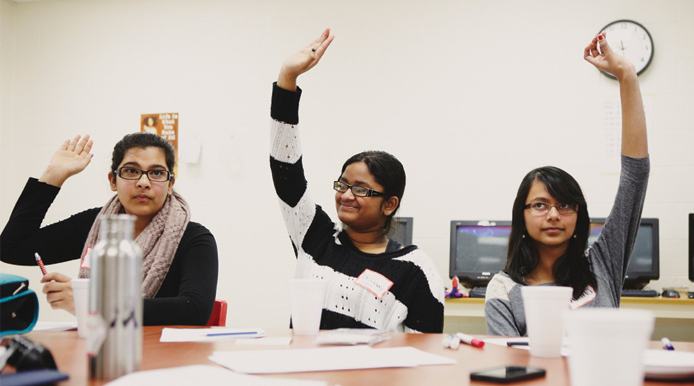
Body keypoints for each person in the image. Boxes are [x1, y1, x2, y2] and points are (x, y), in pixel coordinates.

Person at [270, 29, 445, 333]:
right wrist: (287, 79)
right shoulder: (315, 237)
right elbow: (285, 169)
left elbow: (422, 356)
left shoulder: (416, 269)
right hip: (303, 374)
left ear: (389, 204)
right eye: (343, 185)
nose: (347, 196)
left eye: (361, 190)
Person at [485, 32, 650, 336]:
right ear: (521, 215)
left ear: (579, 214)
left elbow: (635, 176)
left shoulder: (602, 264)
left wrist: (627, 75)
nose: (553, 215)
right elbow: (510, 369)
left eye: (564, 205)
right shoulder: (503, 289)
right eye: (539, 205)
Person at [0, 132, 218, 325]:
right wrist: (53, 175)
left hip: (166, 358)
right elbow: (12, 248)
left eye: (157, 173)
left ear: (170, 184)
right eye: (131, 171)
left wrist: (91, 303)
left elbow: (194, 309)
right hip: (101, 350)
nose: (143, 182)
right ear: (113, 181)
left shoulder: (194, 238)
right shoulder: (96, 224)